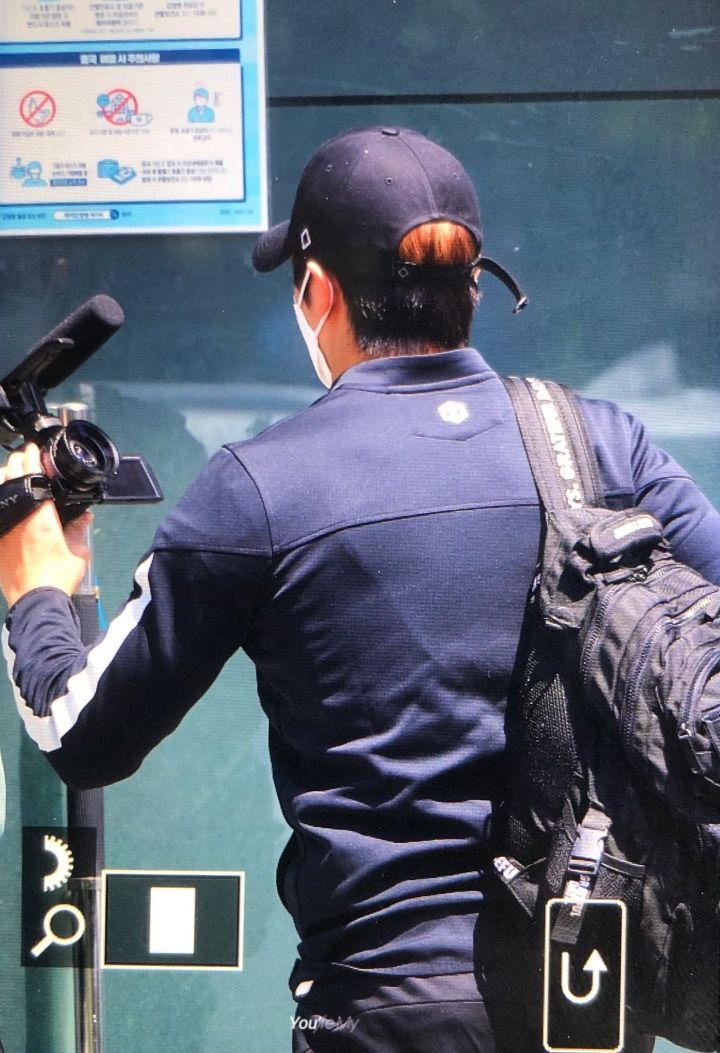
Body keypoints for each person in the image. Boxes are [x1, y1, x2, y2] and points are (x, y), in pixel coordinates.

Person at [2, 126, 720, 1052]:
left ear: (318, 291)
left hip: (383, 1003)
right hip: (589, 993)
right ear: (472, 289)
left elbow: (82, 733)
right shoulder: (603, 443)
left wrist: (36, 585)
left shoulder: (260, 487)